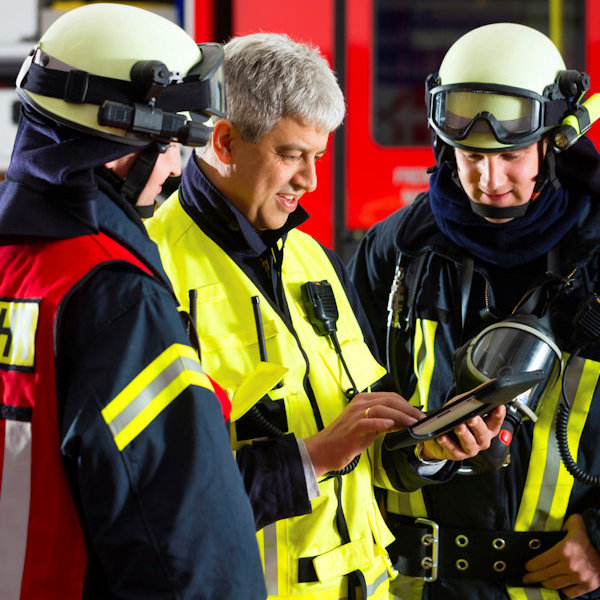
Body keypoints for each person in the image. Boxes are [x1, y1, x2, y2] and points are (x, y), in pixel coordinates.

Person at [146, 32, 503, 600]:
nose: (310, 181)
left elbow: (366, 449)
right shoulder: (152, 277)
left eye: (318, 156)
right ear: (224, 141)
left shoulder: (315, 260)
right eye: (291, 155)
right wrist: (312, 458)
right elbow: (157, 503)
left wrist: (428, 447)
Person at [0, 4, 266, 599]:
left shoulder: (14, 267)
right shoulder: (114, 295)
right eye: (170, 143)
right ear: (116, 140)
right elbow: (185, 544)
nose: (174, 168)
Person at [348, 22, 600, 600]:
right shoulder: (399, 249)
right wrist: (422, 452)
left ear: (554, 144)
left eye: (511, 154)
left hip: (562, 585)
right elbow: (338, 406)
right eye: (469, 154)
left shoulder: (596, 255)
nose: (488, 180)